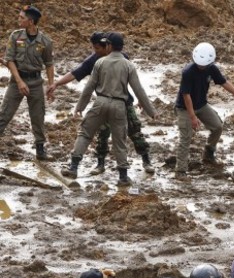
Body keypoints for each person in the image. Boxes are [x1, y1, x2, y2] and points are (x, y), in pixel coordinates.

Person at [48, 31, 156, 175]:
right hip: (115, 104)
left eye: (99, 47)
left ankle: (146, 161)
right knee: (109, 136)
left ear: (108, 46)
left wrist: (80, 107)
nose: (96, 51)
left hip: (118, 103)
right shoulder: (99, 60)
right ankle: (110, 169)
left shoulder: (105, 61)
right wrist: (57, 83)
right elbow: (76, 73)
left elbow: (89, 88)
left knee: (133, 131)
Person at [174, 42, 234, 180]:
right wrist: (192, 117)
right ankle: (180, 171)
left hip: (201, 105)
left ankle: (208, 152)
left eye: (203, 65)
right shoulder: (188, 72)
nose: (201, 66)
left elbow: (224, 82)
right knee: (186, 138)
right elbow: (186, 95)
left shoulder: (211, 68)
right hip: (184, 108)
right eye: (199, 64)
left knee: (217, 127)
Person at [0, 5, 54, 160]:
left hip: (36, 83)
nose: (18, 20)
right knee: (5, 114)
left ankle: (40, 148)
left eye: (22, 18)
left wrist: (51, 85)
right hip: (16, 81)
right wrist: (19, 82)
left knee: (38, 117)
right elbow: (9, 60)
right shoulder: (15, 36)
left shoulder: (45, 41)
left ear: (31, 22)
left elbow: (49, 64)